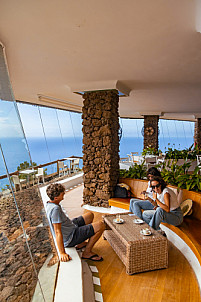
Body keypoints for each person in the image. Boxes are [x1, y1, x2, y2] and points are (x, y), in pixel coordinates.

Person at [46, 183, 105, 262]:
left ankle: (80, 242)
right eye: (62, 193)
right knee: (101, 225)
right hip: (70, 237)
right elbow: (57, 232)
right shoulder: (55, 209)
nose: (64, 193)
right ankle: (87, 253)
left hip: (70, 226)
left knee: (89, 215)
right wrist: (62, 253)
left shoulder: (50, 203)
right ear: (56, 197)